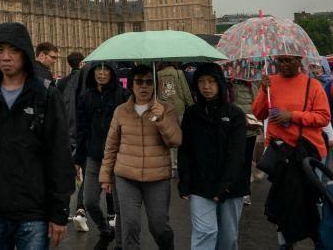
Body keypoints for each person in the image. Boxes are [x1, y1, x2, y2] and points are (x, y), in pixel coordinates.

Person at [0, 22, 74, 249]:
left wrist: (59, 213)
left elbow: (59, 156)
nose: (6, 57)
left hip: (34, 211)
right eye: (0, 50)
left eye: (13, 50)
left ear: (25, 53)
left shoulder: (45, 95)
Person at [252, 55, 331, 248]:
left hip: (308, 153)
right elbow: (258, 113)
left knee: (312, 201)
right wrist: (263, 91)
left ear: (299, 61)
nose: (284, 65)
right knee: (284, 200)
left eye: (289, 60)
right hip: (280, 154)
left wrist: (292, 116)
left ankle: (320, 241)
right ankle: (286, 243)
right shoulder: (270, 82)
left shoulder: (312, 85)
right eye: (281, 61)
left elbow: (323, 117)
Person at [100, 64, 182, 250]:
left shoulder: (166, 109)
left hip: (157, 178)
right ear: (131, 85)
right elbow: (111, 145)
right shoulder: (121, 111)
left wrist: (161, 119)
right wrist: (105, 176)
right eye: (139, 82)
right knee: (130, 225)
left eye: (148, 82)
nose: (144, 86)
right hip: (126, 177)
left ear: (155, 85)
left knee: (159, 226)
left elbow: (176, 140)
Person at [179, 63, 248, 250]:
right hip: (200, 184)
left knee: (228, 237)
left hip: (230, 187)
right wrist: (184, 181)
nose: (206, 86)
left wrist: (225, 187)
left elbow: (237, 154)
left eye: (211, 81)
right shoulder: (192, 113)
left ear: (220, 83)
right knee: (205, 232)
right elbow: (185, 149)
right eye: (201, 81)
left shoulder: (235, 115)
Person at [75, 61, 130, 249]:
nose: (102, 73)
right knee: (89, 201)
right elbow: (81, 129)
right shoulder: (86, 97)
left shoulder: (123, 96)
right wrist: (77, 158)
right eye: (98, 69)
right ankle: (105, 229)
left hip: (118, 157)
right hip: (94, 156)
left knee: (120, 205)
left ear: (112, 73)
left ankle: (121, 244)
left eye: (106, 69)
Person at [56, 52, 87, 232]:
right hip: (80, 133)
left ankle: (64, 209)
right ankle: (80, 210)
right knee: (85, 173)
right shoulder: (85, 81)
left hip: (65, 134)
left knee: (67, 173)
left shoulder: (61, 82)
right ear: (82, 63)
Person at [227, 73, 261, 206]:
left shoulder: (249, 86)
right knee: (243, 161)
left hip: (245, 130)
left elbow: (258, 106)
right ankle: (243, 191)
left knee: (242, 161)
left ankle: (243, 191)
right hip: (241, 130)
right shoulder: (249, 86)